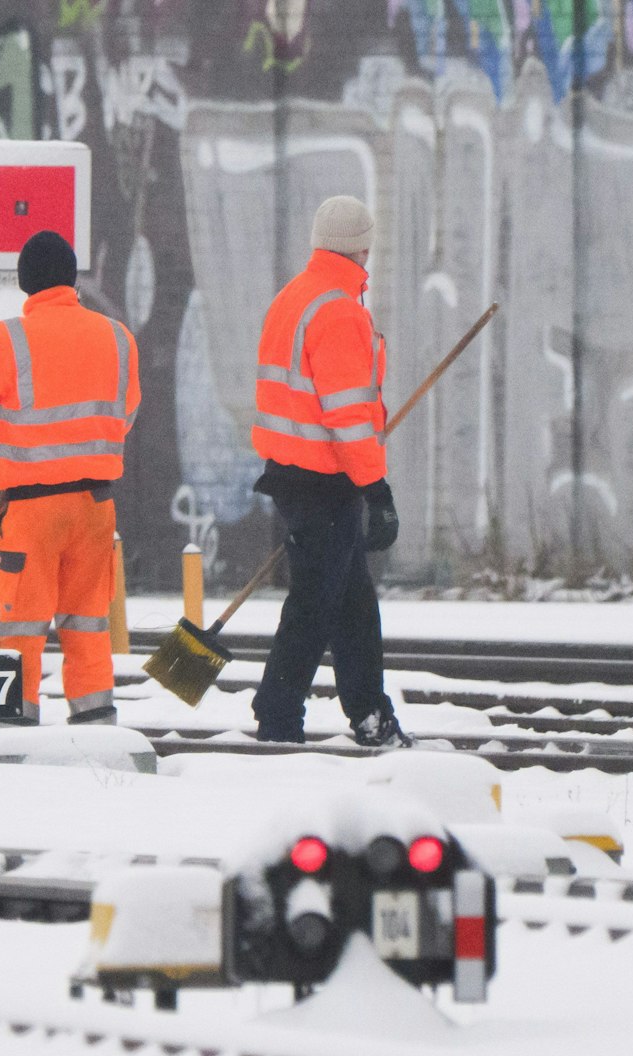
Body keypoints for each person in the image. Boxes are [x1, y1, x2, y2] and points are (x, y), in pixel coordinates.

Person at [0, 231, 140, 725]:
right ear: (73, 279)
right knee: (88, 625)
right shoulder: (117, 338)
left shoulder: (8, 341)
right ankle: (97, 726)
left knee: (22, 627)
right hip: (94, 506)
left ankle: (13, 728)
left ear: (25, 285)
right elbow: (123, 415)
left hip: (29, 509)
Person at [249, 195, 410, 747]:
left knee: (351, 602)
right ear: (364, 247)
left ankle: (369, 712)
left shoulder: (294, 297)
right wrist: (376, 488)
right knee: (318, 603)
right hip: (325, 478)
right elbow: (346, 417)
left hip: (294, 472)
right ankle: (277, 715)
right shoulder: (340, 311)